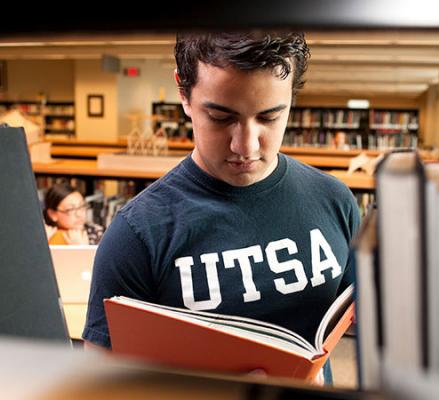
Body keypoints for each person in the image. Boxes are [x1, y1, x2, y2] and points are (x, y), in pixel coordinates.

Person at [83, 31, 360, 384]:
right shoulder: (137, 236)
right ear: (183, 92)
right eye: (221, 117)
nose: (246, 145)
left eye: (270, 117)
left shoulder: (335, 201)